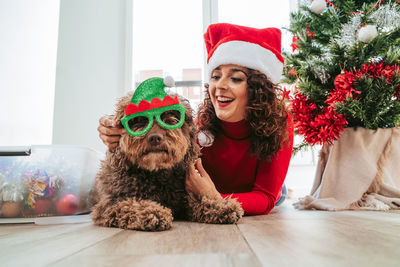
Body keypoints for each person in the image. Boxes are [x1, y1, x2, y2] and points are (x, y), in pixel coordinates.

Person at [97, 23, 293, 215]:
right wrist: (113, 127)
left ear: (258, 89)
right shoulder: (201, 122)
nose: (220, 86)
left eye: (235, 78)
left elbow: (265, 197)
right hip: (204, 191)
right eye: (216, 77)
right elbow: (153, 121)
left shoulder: (280, 122)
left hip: (253, 192)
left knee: (279, 195)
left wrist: (215, 197)